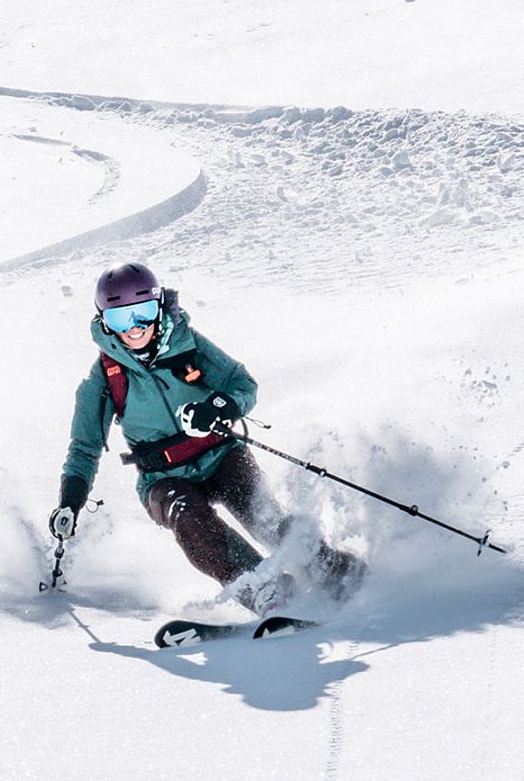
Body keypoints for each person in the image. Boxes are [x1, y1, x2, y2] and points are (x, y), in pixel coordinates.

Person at [48, 262, 363, 614]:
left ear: (158, 307)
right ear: (104, 322)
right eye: (121, 320)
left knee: (261, 514)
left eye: (143, 314)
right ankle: (262, 587)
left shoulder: (188, 344)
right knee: (189, 519)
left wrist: (219, 406)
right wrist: (70, 500)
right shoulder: (104, 380)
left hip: (221, 454)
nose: (135, 328)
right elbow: (84, 447)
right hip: (163, 477)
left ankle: (330, 568)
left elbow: (242, 384)